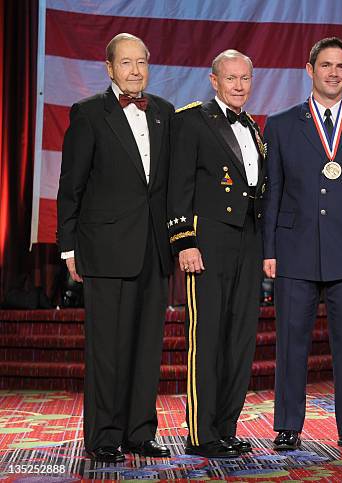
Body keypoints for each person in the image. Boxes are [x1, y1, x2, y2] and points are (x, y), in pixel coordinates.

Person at [263, 37, 342, 452]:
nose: (333, 72)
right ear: (309, 70)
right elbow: (273, 192)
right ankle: (288, 425)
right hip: (294, 249)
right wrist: (269, 250)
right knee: (291, 343)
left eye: (340, 66)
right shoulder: (281, 124)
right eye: (325, 65)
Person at [57, 33, 174, 462]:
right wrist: (68, 248)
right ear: (109, 69)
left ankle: (140, 432)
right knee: (107, 349)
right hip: (104, 250)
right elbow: (71, 186)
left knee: (147, 347)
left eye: (141, 62)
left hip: (154, 250)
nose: (135, 71)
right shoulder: (88, 114)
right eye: (126, 63)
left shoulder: (163, 112)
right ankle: (105, 436)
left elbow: (167, 188)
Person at [167, 50, 265, 459]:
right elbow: (178, 186)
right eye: (231, 78)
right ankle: (201, 433)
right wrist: (184, 241)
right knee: (206, 337)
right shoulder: (192, 119)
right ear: (213, 80)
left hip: (249, 241)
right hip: (207, 241)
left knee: (239, 338)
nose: (239, 85)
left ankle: (226, 427)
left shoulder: (255, 128)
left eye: (245, 78)